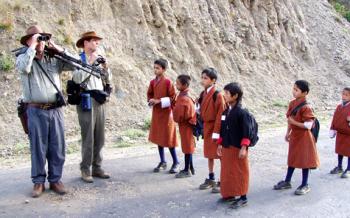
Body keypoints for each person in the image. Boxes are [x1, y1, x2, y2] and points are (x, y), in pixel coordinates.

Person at [16, 25, 75, 197]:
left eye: (42, 38)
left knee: (57, 147)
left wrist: (58, 48)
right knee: (38, 148)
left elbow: (74, 64)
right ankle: (38, 182)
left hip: (55, 110)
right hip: (35, 110)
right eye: (35, 38)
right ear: (27, 41)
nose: (40, 41)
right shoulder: (23, 57)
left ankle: (55, 180)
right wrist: (32, 47)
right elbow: (23, 68)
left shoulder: (53, 58)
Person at [73, 31, 113, 183]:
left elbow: (108, 79)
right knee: (88, 136)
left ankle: (97, 167)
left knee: (100, 136)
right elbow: (77, 79)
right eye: (94, 41)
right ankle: (85, 169)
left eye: (97, 41)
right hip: (86, 100)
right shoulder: (78, 59)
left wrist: (106, 67)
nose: (97, 43)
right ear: (85, 43)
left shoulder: (99, 58)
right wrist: (90, 63)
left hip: (99, 99)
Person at [273, 80, 320, 195]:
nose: (293, 91)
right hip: (295, 136)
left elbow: (308, 125)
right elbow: (290, 120)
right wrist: (288, 132)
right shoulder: (292, 103)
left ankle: (305, 184)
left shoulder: (307, 107)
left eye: (296, 90)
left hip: (304, 138)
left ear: (305, 93)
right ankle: (287, 181)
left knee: (305, 161)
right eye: (293, 89)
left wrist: (294, 123)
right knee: (292, 159)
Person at [217, 82, 251, 209]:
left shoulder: (242, 113)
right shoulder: (226, 111)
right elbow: (223, 130)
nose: (224, 95)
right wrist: (220, 144)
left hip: (238, 147)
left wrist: (243, 147)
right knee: (228, 172)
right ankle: (230, 194)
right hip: (227, 146)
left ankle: (243, 198)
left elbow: (246, 132)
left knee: (240, 172)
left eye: (226, 93)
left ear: (235, 95)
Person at [147, 59, 179, 174]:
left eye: (158, 68)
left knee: (168, 138)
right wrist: (150, 101)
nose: (155, 70)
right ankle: (163, 161)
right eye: (154, 67)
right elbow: (149, 93)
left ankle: (176, 162)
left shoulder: (168, 82)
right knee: (159, 138)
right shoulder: (152, 82)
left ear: (164, 69)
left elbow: (172, 98)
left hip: (166, 114)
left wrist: (159, 101)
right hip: (156, 113)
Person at [198, 68, 225, 193]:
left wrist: (217, 131)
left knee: (220, 155)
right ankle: (211, 177)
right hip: (207, 126)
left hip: (215, 127)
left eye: (205, 78)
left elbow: (220, 115)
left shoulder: (217, 95)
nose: (203, 80)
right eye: (202, 77)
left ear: (213, 80)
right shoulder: (203, 94)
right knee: (209, 154)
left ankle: (222, 180)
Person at [173, 75, 196, 178]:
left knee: (187, 147)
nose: (176, 85)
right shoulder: (184, 95)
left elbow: (179, 115)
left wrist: (175, 117)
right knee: (188, 146)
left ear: (185, 85)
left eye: (178, 83)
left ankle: (187, 170)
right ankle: (190, 167)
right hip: (186, 125)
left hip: (186, 125)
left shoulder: (183, 99)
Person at [329, 87, 350, 178]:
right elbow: (335, 118)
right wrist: (332, 128)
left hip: (349, 134)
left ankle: (349, 169)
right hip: (340, 133)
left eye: (346, 95)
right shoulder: (339, 106)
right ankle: (339, 166)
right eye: (343, 94)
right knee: (340, 150)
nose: (344, 96)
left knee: (349, 152)